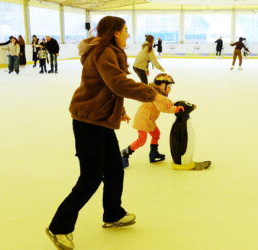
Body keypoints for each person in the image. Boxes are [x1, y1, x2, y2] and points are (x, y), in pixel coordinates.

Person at [46, 16, 173, 250]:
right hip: (88, 121)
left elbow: (107, 87)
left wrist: (119, 109)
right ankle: (59, 227)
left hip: (101, 119)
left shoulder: (110, 50)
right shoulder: (105, 52)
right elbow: (117, 83)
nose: (127, 34)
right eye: (125, 30)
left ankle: (113, 213)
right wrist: (153, 94)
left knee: (114, 169)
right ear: (115, 32)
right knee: (91, 177)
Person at [121, 73, 184, 168]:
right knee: (141, 140)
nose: (170, 88)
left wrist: (175, 104)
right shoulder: (155, 95)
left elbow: (165, 104)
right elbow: (163, 108)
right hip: (143, 120)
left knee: (156, 134)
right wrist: (175, 109)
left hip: (149, 120)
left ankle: (153, 153)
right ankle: (125, 153)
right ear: (162, 85)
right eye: (169, 86)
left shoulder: (157, 94)